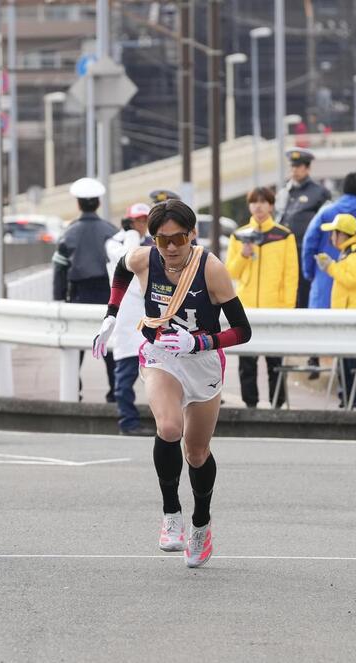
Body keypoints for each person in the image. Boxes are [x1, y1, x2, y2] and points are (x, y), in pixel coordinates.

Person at [92, 199, 252, 568]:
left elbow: (243, 330)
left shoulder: (211, 269)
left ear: (192, 235)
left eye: (179, 238)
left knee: (196, 452)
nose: (172, 248)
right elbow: (121, 269)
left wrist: (200, 341)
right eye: (163, 241)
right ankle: (171, 514)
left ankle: (201, 523)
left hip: (203, 361)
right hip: (161, 355)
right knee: (168, 427)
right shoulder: (143, 258)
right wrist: (111, 316)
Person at [301, 172, 356, 378]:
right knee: (353, 345)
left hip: (325, 278)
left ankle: (315, 360)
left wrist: (310, 272)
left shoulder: (328, 212)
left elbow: (309, 242)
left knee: (321, 323)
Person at [225, 187, 298, 408]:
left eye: (264, 202)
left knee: (275, 360)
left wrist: (286, 309)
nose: (259, 206)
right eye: (254, 202)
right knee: (247, 361)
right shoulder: (239, 235)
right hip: (246, 307)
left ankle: (278, 404)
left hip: (275, 308)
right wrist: (243, 255)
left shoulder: (284, 235)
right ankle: (250, 405)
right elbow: (230, 273)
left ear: (271, 205)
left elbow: (290, 275)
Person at [52, 177, 117, 401]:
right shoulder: (111, 231)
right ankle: (115, 394)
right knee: (110, 347)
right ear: (98, 203)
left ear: (78, 204)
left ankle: (74, 391)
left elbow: (59, 268)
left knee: (74, 348)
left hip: (78, 294)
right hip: (108, 296)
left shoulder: (69, 233)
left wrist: (59, 299)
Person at [314, 213, 356, 409]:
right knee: (347, 363)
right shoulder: (349, 252)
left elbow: (352, 280)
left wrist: (331, 267)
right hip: (348, 316)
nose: (331, 237)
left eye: (333, 233)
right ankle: (350, 401)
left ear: (342, 234)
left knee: (355, 364)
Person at [105, 203, 154, 436]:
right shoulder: (114, 243)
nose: (142, 224)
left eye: (145, 219)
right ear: (128, 221)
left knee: (163, 373)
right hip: (127, 314)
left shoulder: (155, 242)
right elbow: (129, 259)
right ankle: (128, 421)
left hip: (152, 313)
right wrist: (133, 234)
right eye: (138, 220)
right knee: (125, 374)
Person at [277, 149, 331, 309]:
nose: (294, 169)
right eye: (292, 166)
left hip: (305, 251)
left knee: (304, 292)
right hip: (283, 250)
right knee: (285, 289)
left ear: (307, 168)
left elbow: (325, 226)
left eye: (299, 166)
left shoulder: (320, 192)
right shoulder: (283, 193)